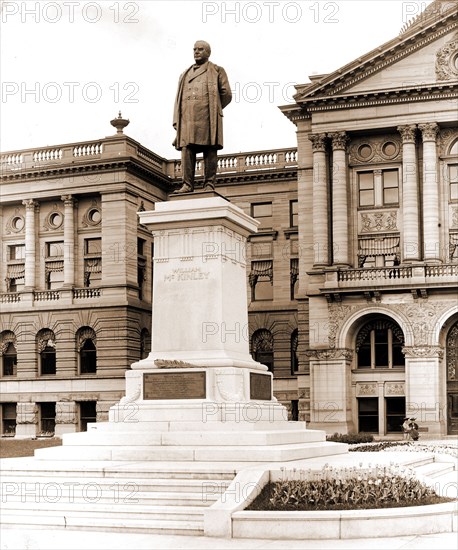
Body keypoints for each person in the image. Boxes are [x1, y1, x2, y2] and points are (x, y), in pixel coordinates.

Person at [172, 40, 232, 193]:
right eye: (194, 49)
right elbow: (178, 99)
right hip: (187, 118)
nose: (196, 52)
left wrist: (213, 107)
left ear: (208, 52)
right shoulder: (184, 74)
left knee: (210, 149)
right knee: (187, 149)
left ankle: (209, 184)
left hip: (207, 116)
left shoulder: (217, 70)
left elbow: (226, 94)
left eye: (200, 49)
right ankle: (187, 184)